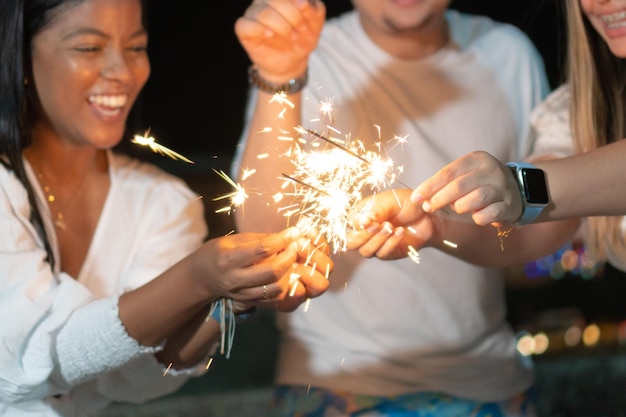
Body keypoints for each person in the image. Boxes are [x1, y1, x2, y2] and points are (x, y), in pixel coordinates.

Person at [0, 0, 333, 415]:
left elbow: (137, 377)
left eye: (136, 48)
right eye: (89, 48)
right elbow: (29, 361)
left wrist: (233, 300)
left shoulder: (163, 203)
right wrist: (196, 278)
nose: (122, 71)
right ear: (23, 58)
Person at [233, 0, 561, 415]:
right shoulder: (303, 50)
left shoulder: (507, 54)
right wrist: (280, 77)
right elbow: (262, 237)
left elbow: (541, 223)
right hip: (334, 384)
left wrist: (438, 229)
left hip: (491, 382)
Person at [370, 0, 626, 271]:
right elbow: (539, 229)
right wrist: (435, 224)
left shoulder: (507, 52)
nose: (601, 1)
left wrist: (517, 187)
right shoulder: (582, 108)